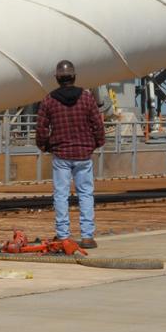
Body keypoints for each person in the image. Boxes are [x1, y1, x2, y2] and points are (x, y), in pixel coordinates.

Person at [35, 59, 105, 249]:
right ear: (74, 76)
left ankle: (63, 235)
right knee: (86, 194)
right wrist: (97, 143)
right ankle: (88, 236)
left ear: (57, 78)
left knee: (60, 195)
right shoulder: (87, 97)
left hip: (61, 154)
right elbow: (97, 124)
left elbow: (41, 128)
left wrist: (45, 146)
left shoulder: (49, 100)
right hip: (83, 154)